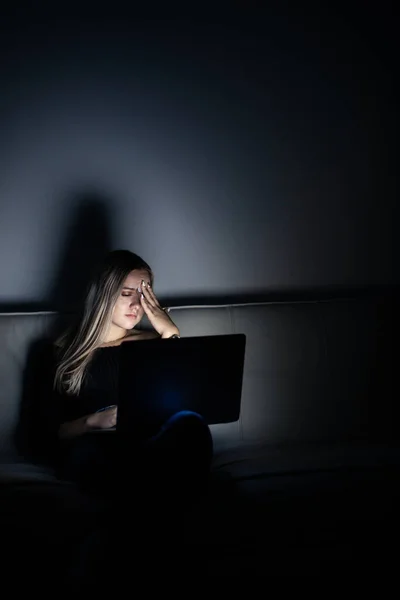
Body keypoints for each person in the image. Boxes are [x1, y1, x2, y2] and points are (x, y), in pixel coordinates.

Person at [47, 249, 213, 520]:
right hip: (96, 450)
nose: (136, 305)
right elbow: (44, 434)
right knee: (100, 455)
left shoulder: (154, 343)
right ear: (103, 294)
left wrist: (170, 334)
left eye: (143, 294)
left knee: (190, 423)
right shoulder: (63, 351)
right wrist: (93, 421)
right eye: (126, 294)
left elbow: (181, 399)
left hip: (148, 445)